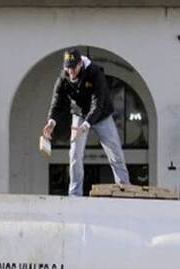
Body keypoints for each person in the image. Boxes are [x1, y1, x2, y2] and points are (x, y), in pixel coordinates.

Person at [42, 47, 131, 197]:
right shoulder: (63, 77)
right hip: (79, 114)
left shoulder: (95, 73)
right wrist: (51, 121)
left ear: (80, 65)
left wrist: (86, 125)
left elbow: (98, 105)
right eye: (67, 69)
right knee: (75, 154)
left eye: (73, 68)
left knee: (115, 153)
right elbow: (56, 102)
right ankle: (75, 193)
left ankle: (125, 189)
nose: (71, 72)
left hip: (101, 116)